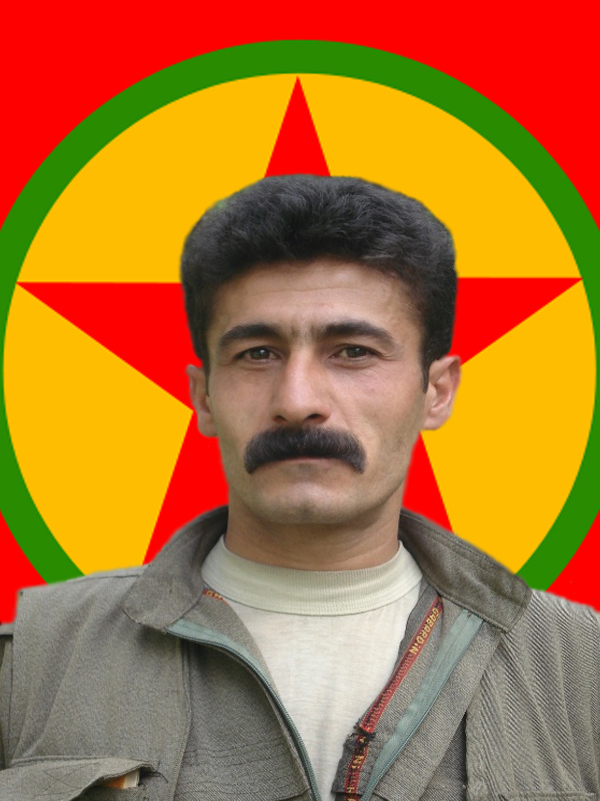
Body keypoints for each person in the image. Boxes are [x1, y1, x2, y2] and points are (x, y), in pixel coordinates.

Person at [0, 175, 598, 801]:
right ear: (203, 397)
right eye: (258, 353)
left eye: (354, 351)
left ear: (437, 390)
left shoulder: (578, 664)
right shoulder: (37, 663)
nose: (297, 400)